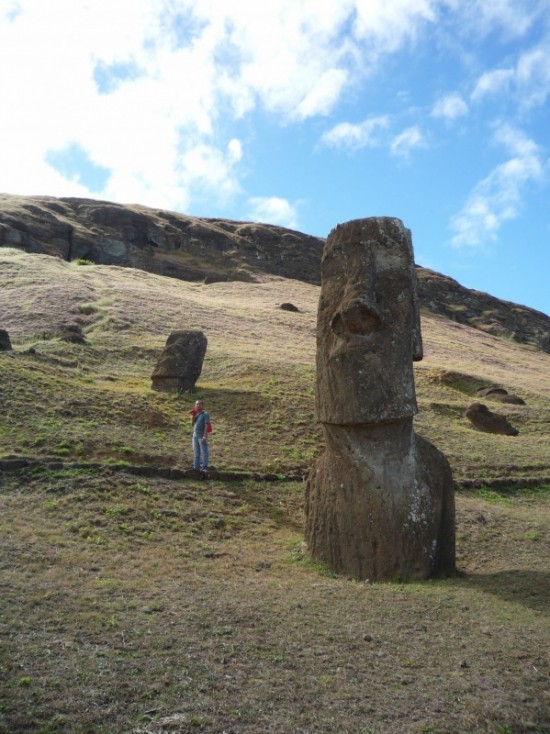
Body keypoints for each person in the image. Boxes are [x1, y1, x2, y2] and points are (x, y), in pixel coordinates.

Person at [191, 399, 210, 472]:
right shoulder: (195, 414)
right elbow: (192, 425)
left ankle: (205, 467)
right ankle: (196, 468)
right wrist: (193, 416)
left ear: (202, 405)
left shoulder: (205, 414)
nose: (198, 406)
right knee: (196, 453)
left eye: (199, 404)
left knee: (204, 452)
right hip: (195, 435)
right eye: (196, 404)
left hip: (201, 436)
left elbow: (206, 425)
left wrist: (204, 436)